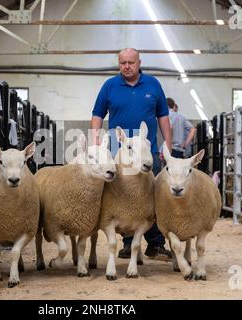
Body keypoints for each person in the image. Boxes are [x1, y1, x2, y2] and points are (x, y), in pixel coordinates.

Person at [91, 48, 172, 260]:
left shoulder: (153, 84)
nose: (127, 66)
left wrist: (168, 148)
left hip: (148, 152)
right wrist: (96, 141)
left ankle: (156, 244)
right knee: (123, 197)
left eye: (131, 62)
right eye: (122, 63)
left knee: (151, 197)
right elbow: (97, 114)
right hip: (121, 154)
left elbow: (163, 116)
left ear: (139, 62)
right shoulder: (110, 86)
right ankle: (128, 244)